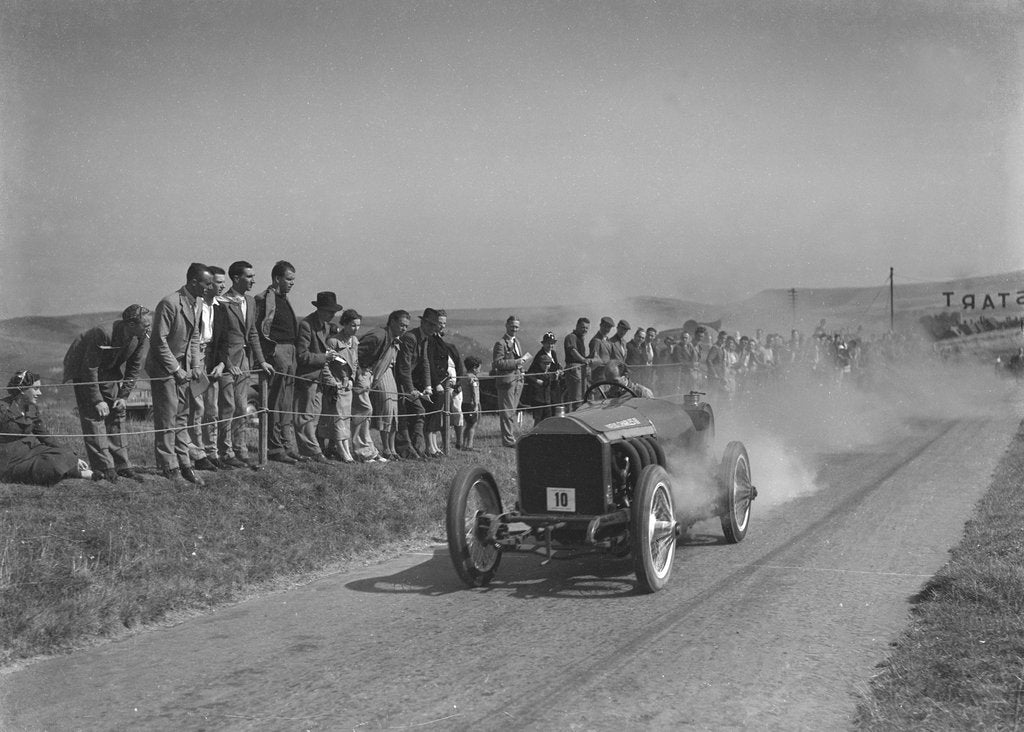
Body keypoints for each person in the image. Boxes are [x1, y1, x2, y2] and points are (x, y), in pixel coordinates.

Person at [62, 304, 151, 482]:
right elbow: (90, 368)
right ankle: (103, 467)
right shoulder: (102, 333)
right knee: (95, 414)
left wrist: (123, 397)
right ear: (131, 325)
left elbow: (134, 368)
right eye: (146, 324)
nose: (149, 328)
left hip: (108, 369)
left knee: (117, 411)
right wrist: (96, 400)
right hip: (83, 369)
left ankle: (122, 465)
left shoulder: (140, 336)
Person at [146, 262, 215, 486]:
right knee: (168, 417)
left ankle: (184, 462)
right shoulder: (169, 303)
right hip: (165, 368)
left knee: (182, 416)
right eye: (206, 283)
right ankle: (168, 465)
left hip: (185, 368)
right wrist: (176, 369)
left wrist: (195, 365)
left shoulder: (197, 303)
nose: (209, 287)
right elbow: (158, 341)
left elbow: (194, 337)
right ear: (193, 282)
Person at [210, 260, 274, 468]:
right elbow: (218, 338)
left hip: (244, 362)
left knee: (242, 406)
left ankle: (240, 449)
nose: (253, 281)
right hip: (228, 360)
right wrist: (226, 362)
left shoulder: (250, 302)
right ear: (236, 278)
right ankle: (225, 451)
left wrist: (262, 361)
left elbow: (253, 333)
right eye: (249, 276)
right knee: (227, 407)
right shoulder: (222, 302)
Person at [0, 370, 92, 485]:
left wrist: (74, 457)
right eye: (36, 388)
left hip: (30, 451)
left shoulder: (32, 409)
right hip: (9, 459)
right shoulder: (3, 409)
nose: (40, 393)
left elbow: (46, 437)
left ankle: (73, 470)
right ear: (22, 389)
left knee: (63, 453)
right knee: (47, 464)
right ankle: (80, 474)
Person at [255, 260, 302, 464]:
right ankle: (274, 448)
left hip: (290, 350)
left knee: (286, 401)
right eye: (289, 279)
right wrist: (270, 353)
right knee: (275, 400)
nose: (292, 283)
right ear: (277, 279)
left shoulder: (284, 299)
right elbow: (259, 328)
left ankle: (286, 444)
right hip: (278, 350)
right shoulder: (265, 299)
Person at [295, 291, 343, 463]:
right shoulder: (307, 325)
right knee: (306, 415)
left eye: (334, 312)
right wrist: (325, 357)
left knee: (314, 415)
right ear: (320, 309)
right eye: (330, 311)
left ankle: (310, 450)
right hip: (308, 377)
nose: (332, 315)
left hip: (319, 377)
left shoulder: (325, 326)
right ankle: (312, 451)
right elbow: (302, 355)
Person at [187, 264, 227, 472]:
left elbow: (223, 340)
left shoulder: (220, 308)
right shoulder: (195, 304)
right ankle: (198, 453)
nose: (218, 286)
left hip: (213, 360)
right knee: (197, 408)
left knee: (212, 408)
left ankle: (212, 452)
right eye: (214, 282)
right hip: (196, 357)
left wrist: (221, 363)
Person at [357, 310, 407, 461]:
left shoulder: (395, 338)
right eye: (401, 325)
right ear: (392, 322)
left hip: (386, 371)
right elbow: (357, 354)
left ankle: (391, 448)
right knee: (385, 408)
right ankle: (385, 448)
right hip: (372, 373)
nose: (403, 329)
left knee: (393, 410)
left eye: (406, 326)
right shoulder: (378, 335)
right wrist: (362, 374)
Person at [318, 309, 360, 463]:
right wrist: (332, 382)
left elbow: (355, 363)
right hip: (335, 386)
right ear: (344, 324)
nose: (356, 329)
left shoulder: (354, 341)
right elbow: (325, 365)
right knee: (337, 418)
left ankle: (343, 448)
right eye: (352, 325)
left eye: (358, 326)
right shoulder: (333, 342)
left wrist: (351, 379)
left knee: (345, 418)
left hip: (346, 386)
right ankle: (342, 451)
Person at [396, 308, 439, 459]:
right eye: (430, 325)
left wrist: (428, 386)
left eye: (435, 326)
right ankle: (407, 449)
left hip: (407, 382)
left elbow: (425, 362)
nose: (433, 328)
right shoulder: (411, 337)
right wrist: (409, 389)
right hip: (399, 381)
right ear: (423, 322)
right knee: (407, 413)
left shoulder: (425, 338)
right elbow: (404, 366)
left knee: (418, 412)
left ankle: (416, 449)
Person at [492, 315, 529, 448]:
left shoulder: (517, 341)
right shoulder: (500, 343)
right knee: (507, 411)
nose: (515, 329)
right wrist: (516, 362)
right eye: (512, 326)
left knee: (512, 410)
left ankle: (511, 436)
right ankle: (508, 440)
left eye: (517, 327)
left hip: (518, 379)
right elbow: (498, 363)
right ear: (506, 326)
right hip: (507, 382)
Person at [524, 332, 563, 425]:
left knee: (552, 412)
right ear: (543, 343)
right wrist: (537, 381)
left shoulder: (553, 353)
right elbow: (530, 374)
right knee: (541, 416)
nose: (550, 345)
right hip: (541, 392)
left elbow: (556, 366)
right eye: (548, 343)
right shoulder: (539, 356)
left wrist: (559, 371)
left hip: (552, 387)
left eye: (552, 343)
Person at [562, 317, 592, 410]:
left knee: (583, 397)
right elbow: (573, 351)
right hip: (574, 370)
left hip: (581, 370)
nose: (585, 330)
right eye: (583, 327)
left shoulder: (580, 339)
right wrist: (584, 360)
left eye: (587, 328)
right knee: (577, 399)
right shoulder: (571, 337)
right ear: (577, 326)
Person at [459, 356, 482, 451]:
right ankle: (469, 445)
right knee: (473, 425)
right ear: (474, 368)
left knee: (467, 424)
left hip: (464, 403)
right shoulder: (473, 379)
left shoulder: (463, 376)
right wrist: (476, 404)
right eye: (479, 368)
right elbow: (474, 392)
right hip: (471, 404)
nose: (480, 370)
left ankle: (464, 444)